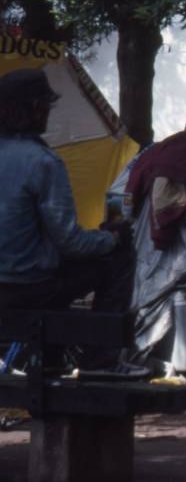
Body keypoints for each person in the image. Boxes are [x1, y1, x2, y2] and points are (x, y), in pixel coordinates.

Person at [0, 68, 134, 361]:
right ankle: (100, 361)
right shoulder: (43, 162)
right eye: (46, 106)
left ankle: (51, 355)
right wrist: (110, 237)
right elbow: (71, 243)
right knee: (117, 259)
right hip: (27, 286)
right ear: (35, 108)